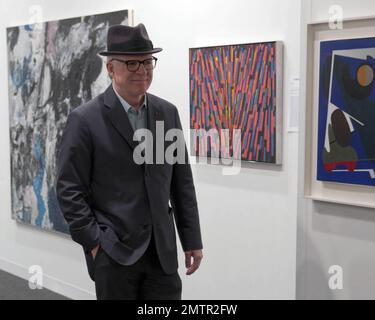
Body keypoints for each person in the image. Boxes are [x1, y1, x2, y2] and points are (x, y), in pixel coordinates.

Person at [56, 23, 203, 300]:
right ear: (111, 68)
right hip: (114, 253)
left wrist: (191, 239)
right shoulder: (85, 119)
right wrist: (95, 242)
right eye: (132, 63)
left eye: (148, 62)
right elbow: (69, 189)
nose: (143, 71)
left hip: (163, 253)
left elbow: (181, 183)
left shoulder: (166, 113)